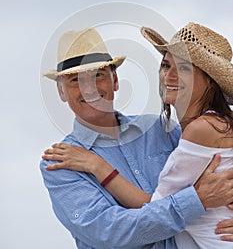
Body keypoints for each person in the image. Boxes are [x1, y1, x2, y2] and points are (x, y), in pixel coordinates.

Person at [40, 26, 233, 249]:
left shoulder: (162, 129)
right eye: (74, 80)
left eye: (98, 75)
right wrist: (196, 201)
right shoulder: (60, 163)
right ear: (61, 92)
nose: (89, 88)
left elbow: (222, 169)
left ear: (115, 80)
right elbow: (109, 232)